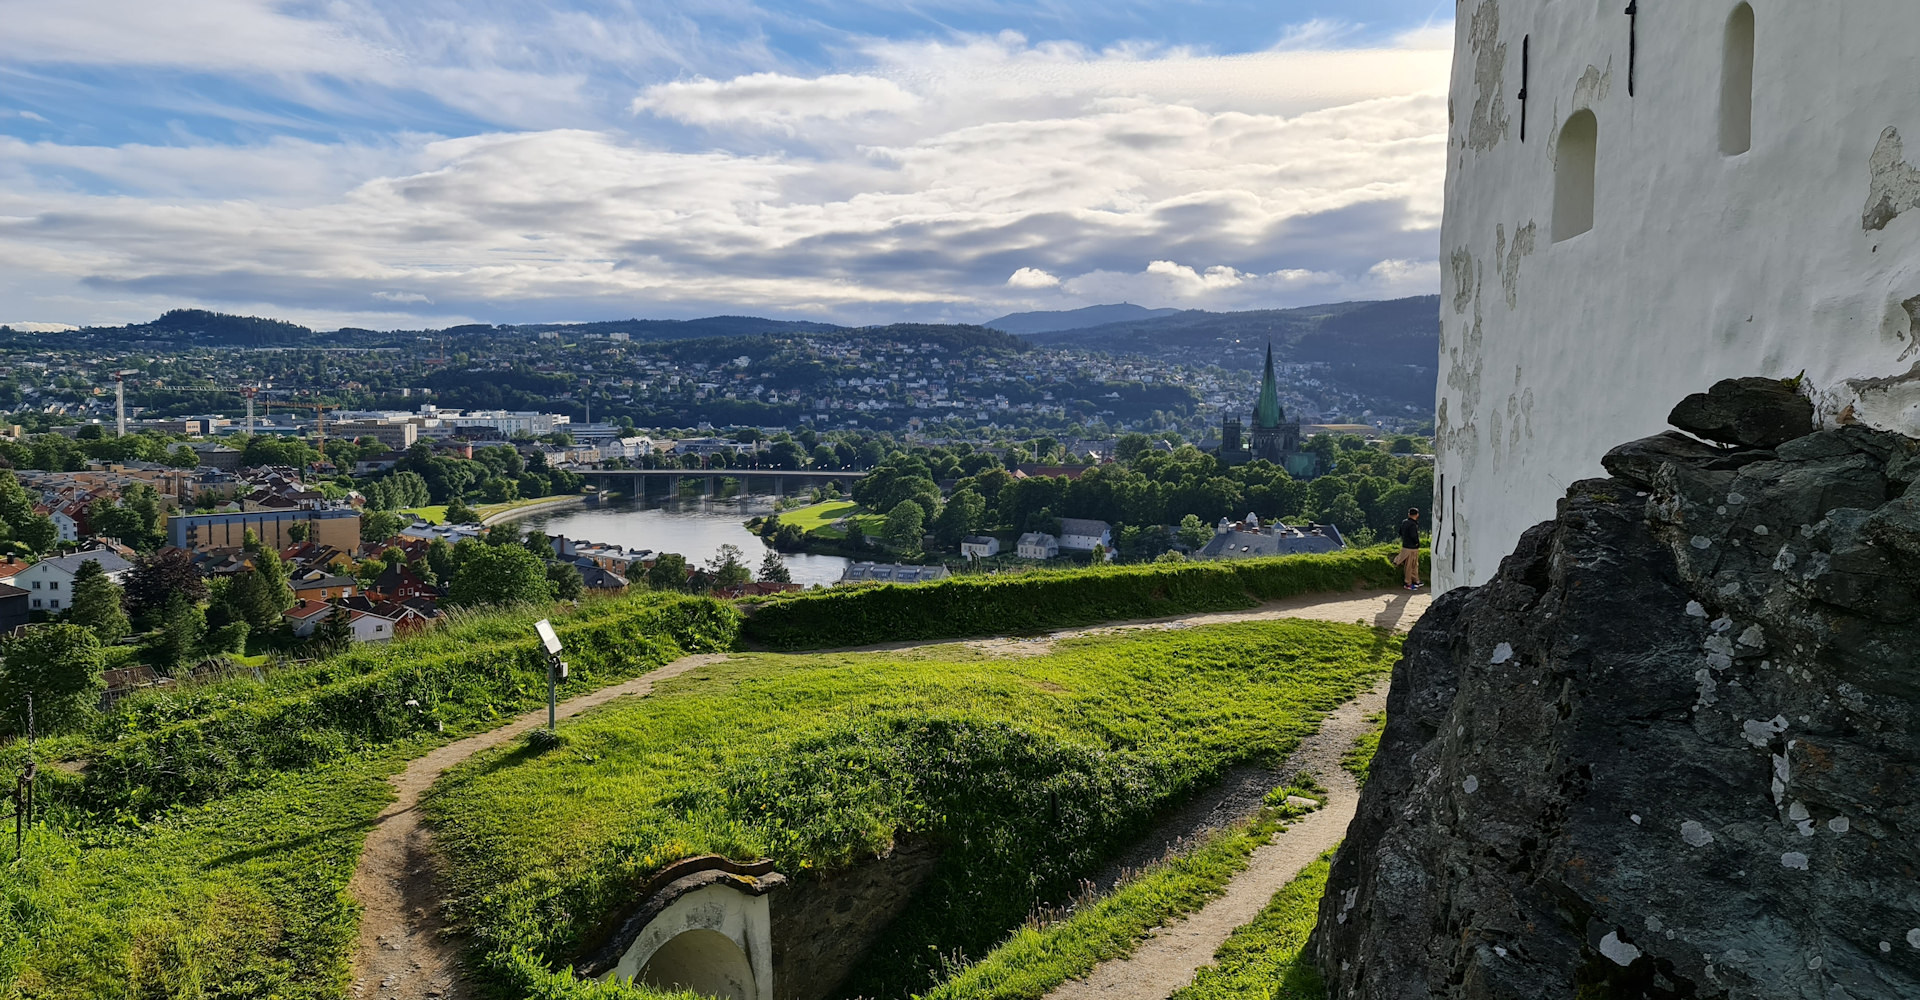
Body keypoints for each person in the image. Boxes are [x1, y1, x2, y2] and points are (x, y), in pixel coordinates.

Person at [1395, 508, 1423, 590]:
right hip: (1412, 547)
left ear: (1409, 514)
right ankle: (1408, 583)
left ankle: (1415, 580)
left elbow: (1400, 532)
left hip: (1406, 545)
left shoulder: (1404, 522)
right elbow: (1414, 536)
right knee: (1410, 566)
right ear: (1417, 515)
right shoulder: (1413, 524)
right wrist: (1417, 543)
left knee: (1413, 565)